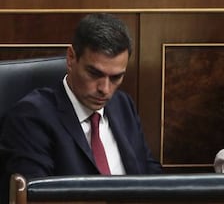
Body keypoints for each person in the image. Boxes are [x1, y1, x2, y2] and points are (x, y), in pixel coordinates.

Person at [0, 13, 161, 201]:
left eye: (116, 77)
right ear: (71, 58)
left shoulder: (122, 105)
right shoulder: (30, 118)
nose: (105, 89)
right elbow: (34, 197)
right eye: (94, 73)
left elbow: (151, 176)